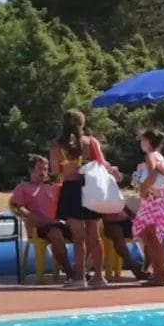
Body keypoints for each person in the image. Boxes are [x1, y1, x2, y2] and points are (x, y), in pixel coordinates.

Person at [49, 109, 108, 288]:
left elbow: (55, 172)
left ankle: (79, 278)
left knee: (78, 236)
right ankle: (99, 277)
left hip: (71, 189)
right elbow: (102, 164)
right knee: (94, 235)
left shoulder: (57, 145)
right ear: (82, 123)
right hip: (90, 188)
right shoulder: (91, 142)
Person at [131, 128, 164, 286]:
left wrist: (144, 189)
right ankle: (159, 273)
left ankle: (159, 275)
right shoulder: (160, 156)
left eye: (143, 140)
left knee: (151, 237)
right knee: (152, 236)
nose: (141, 143)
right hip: (159, 200)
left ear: (147, 141)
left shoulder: (151, 156)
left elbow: (152, 176)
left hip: (152, 202)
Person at [9, 155, 72, 275]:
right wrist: (29, 215)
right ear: (31, 170)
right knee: (56, 234)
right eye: (40, 168)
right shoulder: (23, 187)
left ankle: (80, 268)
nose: (43, 172)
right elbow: (17, 206)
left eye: (45, 169)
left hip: (56, 223)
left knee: (83, 232)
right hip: (37, 227)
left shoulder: (51, 187)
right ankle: (69, 270)